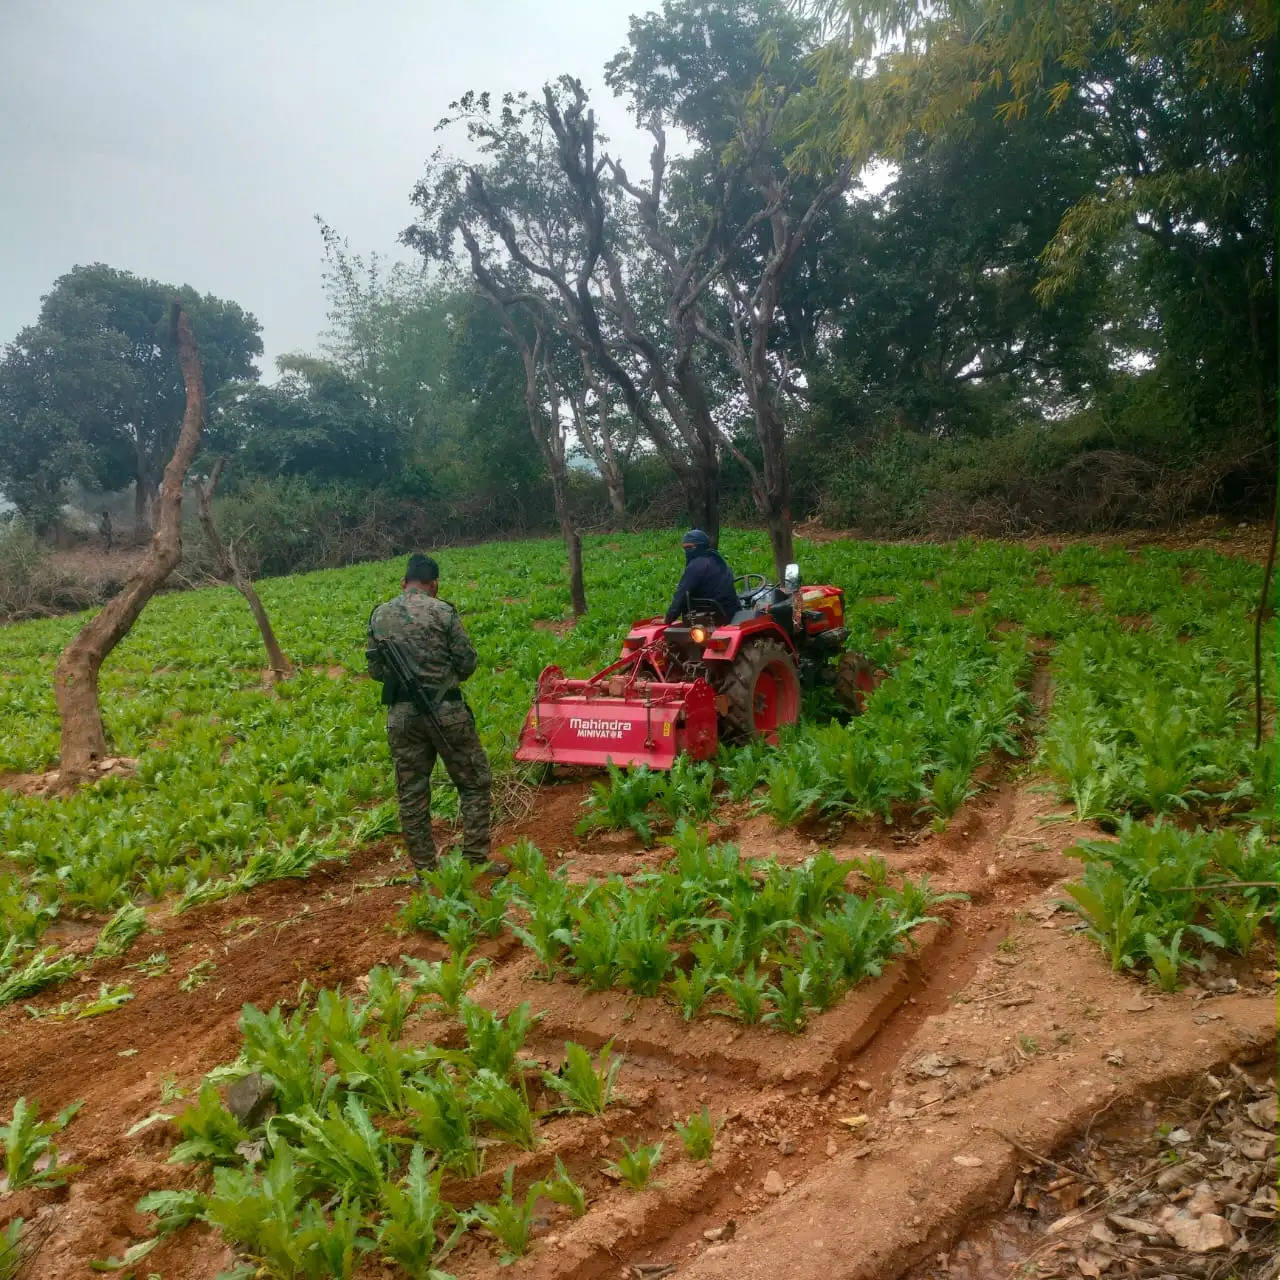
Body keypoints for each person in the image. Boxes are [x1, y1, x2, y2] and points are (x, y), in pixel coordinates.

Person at [366, 554, 497, 881]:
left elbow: (375, 671)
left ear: (403, 582)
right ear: (434, 584)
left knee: (411, 794)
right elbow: (466, 664)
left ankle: (425, 872)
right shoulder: (444, 612)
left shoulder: (380, 615)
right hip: (447, 713)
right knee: (474, 783)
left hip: (403, 718)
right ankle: (475, 861)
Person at [664, 528, 739, 624]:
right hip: (730, 613)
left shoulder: (696, 566)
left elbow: (682, 594)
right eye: (685, 548)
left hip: (710, 616)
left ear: (700, 546)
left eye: (690, 547)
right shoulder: (719, 560)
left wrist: (668, 619)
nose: (687, 551)